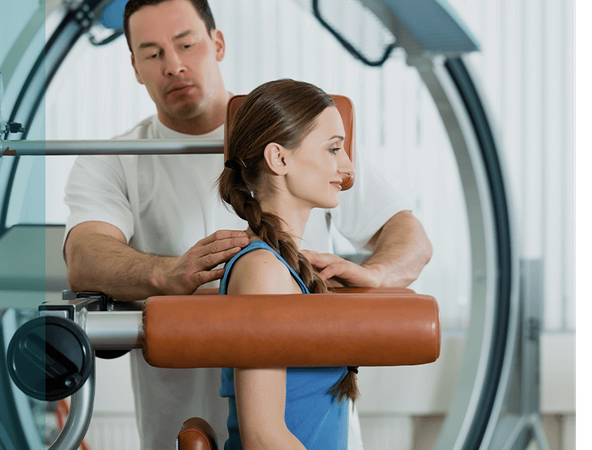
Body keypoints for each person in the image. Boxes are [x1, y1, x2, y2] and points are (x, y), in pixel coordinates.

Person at [62, 0, 433, 448]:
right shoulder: (113, 161)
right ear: (135, 67)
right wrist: (166, 274)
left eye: (186, 43)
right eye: (153, 53)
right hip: (188, 423)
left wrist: (375, 275)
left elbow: (410, 237)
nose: (174, 65)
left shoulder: (297, 131)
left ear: (217, 43)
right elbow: (84, 256)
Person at [217, 78, 358, 450]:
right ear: (279, 158)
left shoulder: (282, 267)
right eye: (333, 149)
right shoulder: (262, 271)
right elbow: (264, 437)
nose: (346, 166)